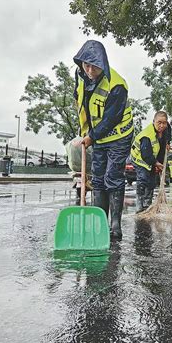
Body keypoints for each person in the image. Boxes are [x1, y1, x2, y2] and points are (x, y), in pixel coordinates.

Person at [73, 40, 134, 239]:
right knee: (97, 179)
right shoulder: (81, 76)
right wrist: (86, 133)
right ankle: (99, 222)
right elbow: (81, 104)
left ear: (103, 63)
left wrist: (92, 136)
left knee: (113, 177)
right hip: (97, 136)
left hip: (119, 135)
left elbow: (111, 118)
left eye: (95, 66)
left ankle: (115, 226)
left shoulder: (117, 85)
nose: (90, 70)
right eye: (86, 65)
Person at [131, 111, 171, 213]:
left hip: (152, 158)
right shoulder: (147, 136)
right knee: (143, 179)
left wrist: (168, 142)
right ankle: (140, 206)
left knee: (152, 182)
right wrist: (157, 164)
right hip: (140, 159)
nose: (162, 125)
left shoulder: (166, 129)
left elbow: (168, 134)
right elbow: (146, 156)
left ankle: (147, 204)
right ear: (153, 122)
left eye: (164, 123)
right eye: (159, 122)